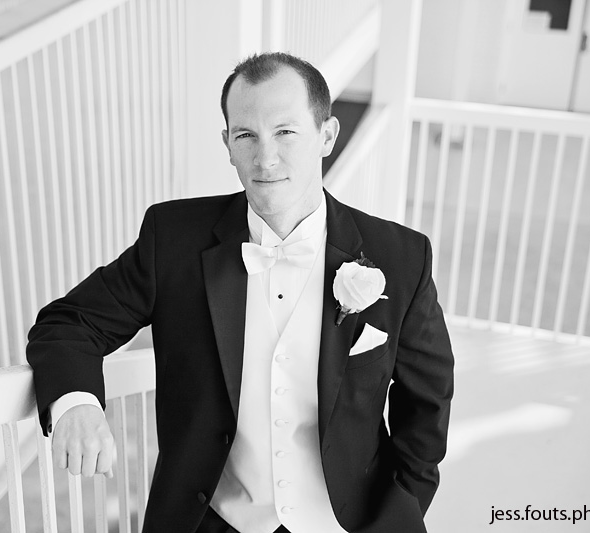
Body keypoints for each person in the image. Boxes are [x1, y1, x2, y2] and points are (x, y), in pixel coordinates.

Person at [27, 52, 454, 533]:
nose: (265, 158)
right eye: (246, 135)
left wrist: (400, 509)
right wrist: (77, 403)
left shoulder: (401, 257)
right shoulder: (174, 241)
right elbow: (69, 323)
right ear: (227, 144)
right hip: (212, 522)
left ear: (327, 136)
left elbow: (427, 402)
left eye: (285, 132)